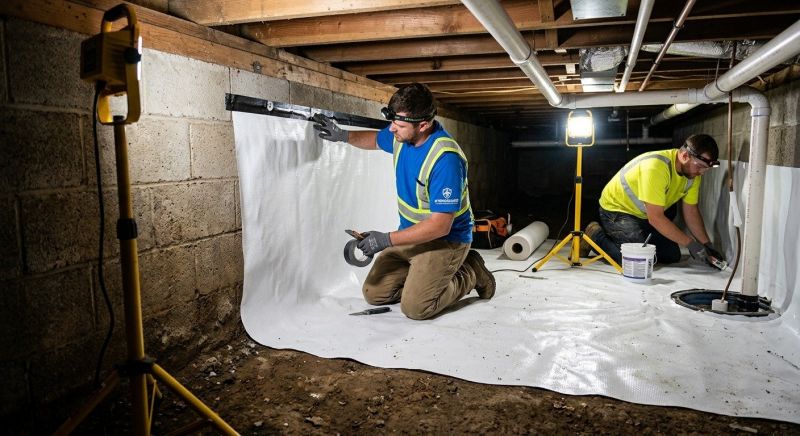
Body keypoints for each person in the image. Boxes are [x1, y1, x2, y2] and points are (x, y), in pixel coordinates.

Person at [311, 83, 496, 320]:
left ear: (423, 125)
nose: (391, 130)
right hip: (411, 235)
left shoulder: (445, 159)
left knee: (417, 308)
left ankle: (471, 270)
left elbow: (440, 226)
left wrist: (385, 240)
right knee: (374, 293)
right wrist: (342, 135)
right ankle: (424, 274)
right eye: (392, 123)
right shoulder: (402, 138)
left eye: (398, 126)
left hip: (446, 241)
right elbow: (376, 140)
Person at [583, 134, 726, 268]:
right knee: (637, 262)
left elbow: (691, 211)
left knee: (672, 255)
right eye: (700, 166)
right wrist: (690, 243)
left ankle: (630, 239)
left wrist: (707, 245)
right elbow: (656, 218)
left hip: (643, 215)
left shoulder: (692, 174)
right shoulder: (656, 167)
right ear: (684, 156)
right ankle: (596, 235)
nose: (701, 172)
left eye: (705, 169)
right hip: (618, 210)